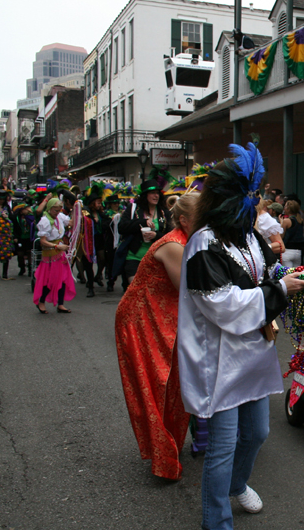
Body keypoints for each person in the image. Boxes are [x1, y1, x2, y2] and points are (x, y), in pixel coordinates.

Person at [178, 145, 304, 530]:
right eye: (249, 194)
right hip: (220, 358)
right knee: (222, 446)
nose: (256, 203)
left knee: (257, 433)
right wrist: (281, 290)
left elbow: (268, 272)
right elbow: (223, 304)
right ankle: (216, 520)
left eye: (256, 194)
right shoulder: (205, 242)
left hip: (253, 351)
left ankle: (237, 484)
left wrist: (296, 278)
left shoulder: (249, 236)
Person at [115, 194, 198, 480]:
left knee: (176, 384)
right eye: (203, 218)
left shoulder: (191, 240)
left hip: (165, 317)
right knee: (155, 386)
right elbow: (189, 289)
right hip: (140, 319)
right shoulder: (174, 244)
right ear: (184, 220)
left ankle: (171, 446)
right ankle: (163, 458)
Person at [118, 180, 172, 286]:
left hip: (156, 259)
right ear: (145, 195)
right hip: (135, 258)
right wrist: (142, 222)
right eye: (152, 193)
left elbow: (170, 235)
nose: (156, 196)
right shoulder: (133, 209)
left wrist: (156, 235)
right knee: (135, 289)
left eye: (157, 193)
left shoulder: (164, 213)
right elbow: (121, 227)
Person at [32, 198, 75, 313]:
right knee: (50, 279)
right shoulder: (45, 221)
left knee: (63, 278)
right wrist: (57, 246)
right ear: (50, 209)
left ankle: (60, 304)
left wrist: (76, 210)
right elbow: (43, 241)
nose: (57, 212)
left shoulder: (59, 217)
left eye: (59, 210)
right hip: (50, 254)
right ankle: (41, 301)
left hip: (60, 253)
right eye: (55, 210)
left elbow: (71, 223)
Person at [280, 200, 304, 269]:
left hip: (288, 250)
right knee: (296, 273)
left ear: (288, 210)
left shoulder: (286, 221)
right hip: (298, 251)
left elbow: (281, 236)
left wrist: (281, 223)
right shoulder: (300, 220)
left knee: (288, 273)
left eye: (285, 207)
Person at [12, 203, 34, 277]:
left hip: (29, 237)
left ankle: (30, 268)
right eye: (26, 209)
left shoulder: (31, 217)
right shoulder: (16, 218)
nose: (28, 210)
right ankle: (22, 267)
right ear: (21, 211)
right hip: (20, 238)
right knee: (20, 253)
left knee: (29, 252)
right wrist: (15, 237)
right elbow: (14, 228)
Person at [0, 189, 14, 280]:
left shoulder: (6, 208)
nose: (1, 201)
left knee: (6, 253)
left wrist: (6, 217)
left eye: (2, 199)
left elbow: (12, 219)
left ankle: (5, 273)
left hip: (6, 234)